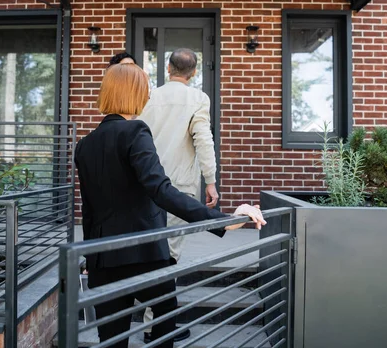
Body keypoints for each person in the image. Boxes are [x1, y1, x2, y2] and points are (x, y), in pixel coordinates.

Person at [74, 63, 266, 348]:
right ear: (136, 93)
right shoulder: (135, 132)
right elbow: (161, 191)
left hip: (103, 259)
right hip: (144, 255)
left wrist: (91, 257)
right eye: (145, 89)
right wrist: (222, 219)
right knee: (163, 333)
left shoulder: (85, 144)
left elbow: (88, 209)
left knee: (110, 342)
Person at [138, 48, 217, 342]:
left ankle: (150, 321)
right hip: (178, 189)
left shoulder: (150, 96)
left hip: (145, 184)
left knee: (145, 249)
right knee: (167, 256)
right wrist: (210, 180)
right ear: (193, 72)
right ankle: (155, 327)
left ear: (168, 68)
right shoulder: (198, 99)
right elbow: (203, 139)